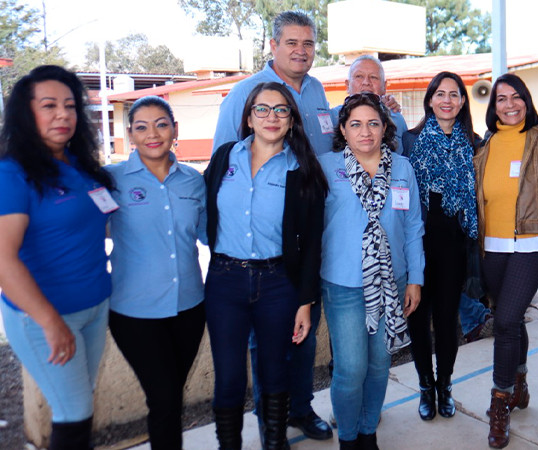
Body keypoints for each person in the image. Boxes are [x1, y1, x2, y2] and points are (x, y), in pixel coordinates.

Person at [213, 10, 333, 441]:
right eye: (292, 43)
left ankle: (300, 408)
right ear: (273, 46)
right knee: (266, 347)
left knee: (304, 329)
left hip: (309, 236)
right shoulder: (245, 94)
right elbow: (222, 168)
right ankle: (271, 426)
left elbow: (330, 144)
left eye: (308, 44)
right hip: (260, 251)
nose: (301, 51)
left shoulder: (318, 89)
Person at [0, 65, 116, 449]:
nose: (63, 114)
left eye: (69, 106)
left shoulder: (78, 165)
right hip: (46, 315)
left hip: (95, 306)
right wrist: (49, 322)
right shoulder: (12, 174)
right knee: (74, 414)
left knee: (81, 401)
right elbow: (3, 259)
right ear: (25, 114)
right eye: (49, 106)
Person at [318, 92, 423, 449]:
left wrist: (415, 279)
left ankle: (367, 433)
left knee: (379, 366)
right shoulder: (324, 167)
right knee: (350, 370)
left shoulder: (403, 167)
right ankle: (348, 439)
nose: (366, 132)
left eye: (374, 123)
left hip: (391, 283)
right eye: (356, 124)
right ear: (343, 130)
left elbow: (413, 228)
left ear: (385, 128)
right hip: (343, 285)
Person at [104, 96, 207, 450]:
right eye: (142, 127)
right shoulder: (110, 179)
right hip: (135, 313)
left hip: (190, 308)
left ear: (175, 130)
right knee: (164, 399)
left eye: (161, 124)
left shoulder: (193, 182)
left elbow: (212, 235)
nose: (153, 134)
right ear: (130, 134)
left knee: (170, 400)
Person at [475, 73, 538, 449]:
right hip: (491, 246)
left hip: (531, 242)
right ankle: (521, 381)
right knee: (512, 319)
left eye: (516, 97)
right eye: (501, 99)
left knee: (506, 320)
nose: (509, 105)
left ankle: (500, 401)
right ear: (493, 107)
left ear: (527, 100)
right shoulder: (485, 145)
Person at [402, 71, 479, 421]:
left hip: (454, 244)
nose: (447, 100)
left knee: (447, 321)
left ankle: (445, 384)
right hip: (417, 241)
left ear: (462, 101)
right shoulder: (411, 140)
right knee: (418, 319)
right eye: (440, 94)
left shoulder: (473, 142)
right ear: (430, 99)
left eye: (454, 94)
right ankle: (424, 386)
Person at [332, 54, 407, 155]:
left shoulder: (396, 118)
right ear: (347, 85)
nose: (366, 82)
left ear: (384, 87)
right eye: (359, 76)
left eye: (373, 77)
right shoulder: (333, 117)